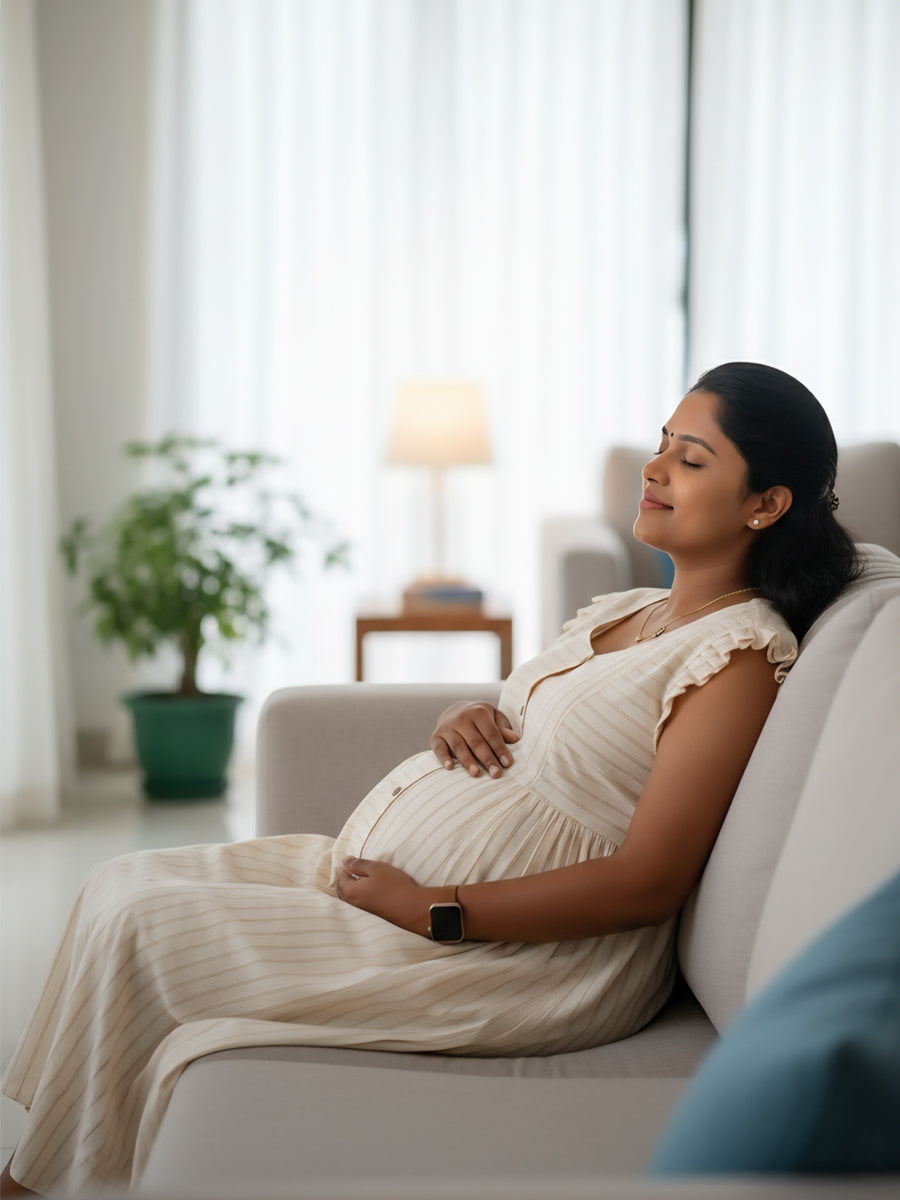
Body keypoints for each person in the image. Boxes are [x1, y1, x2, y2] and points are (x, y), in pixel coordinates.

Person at [1, 363, 861, 1197]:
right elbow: (553, 730)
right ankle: (58, 1166)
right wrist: (466, 714)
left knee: (144, 930)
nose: (655, 465)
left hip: (522, 958)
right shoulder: (625, 610)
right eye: (663, 440)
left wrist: (435, 908)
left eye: (692, 457)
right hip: (400, 896)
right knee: (118, 883)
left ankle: (35, 1183)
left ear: (766, 504)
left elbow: (649, 880)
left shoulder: (737, 657)